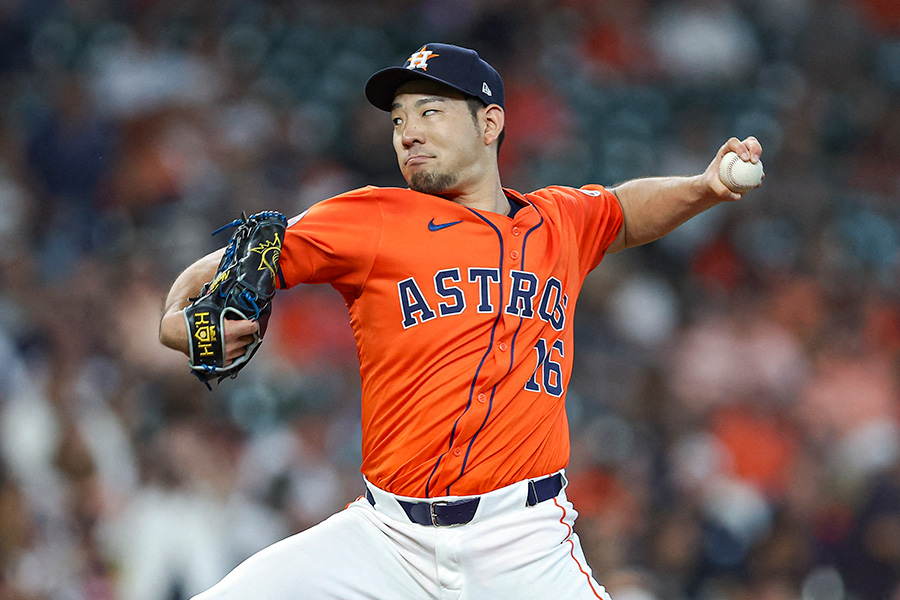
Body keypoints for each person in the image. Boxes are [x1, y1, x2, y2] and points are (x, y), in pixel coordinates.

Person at [159, 42, 763, 600]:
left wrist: (705, 188)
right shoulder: (371, 218)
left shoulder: (559, 222)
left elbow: (625, 211)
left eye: (430, 112)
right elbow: (228, 264)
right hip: (384, 541)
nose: (408, 134)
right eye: (398, 120)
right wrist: (177, 325)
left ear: (490, 123)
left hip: (522, 542)